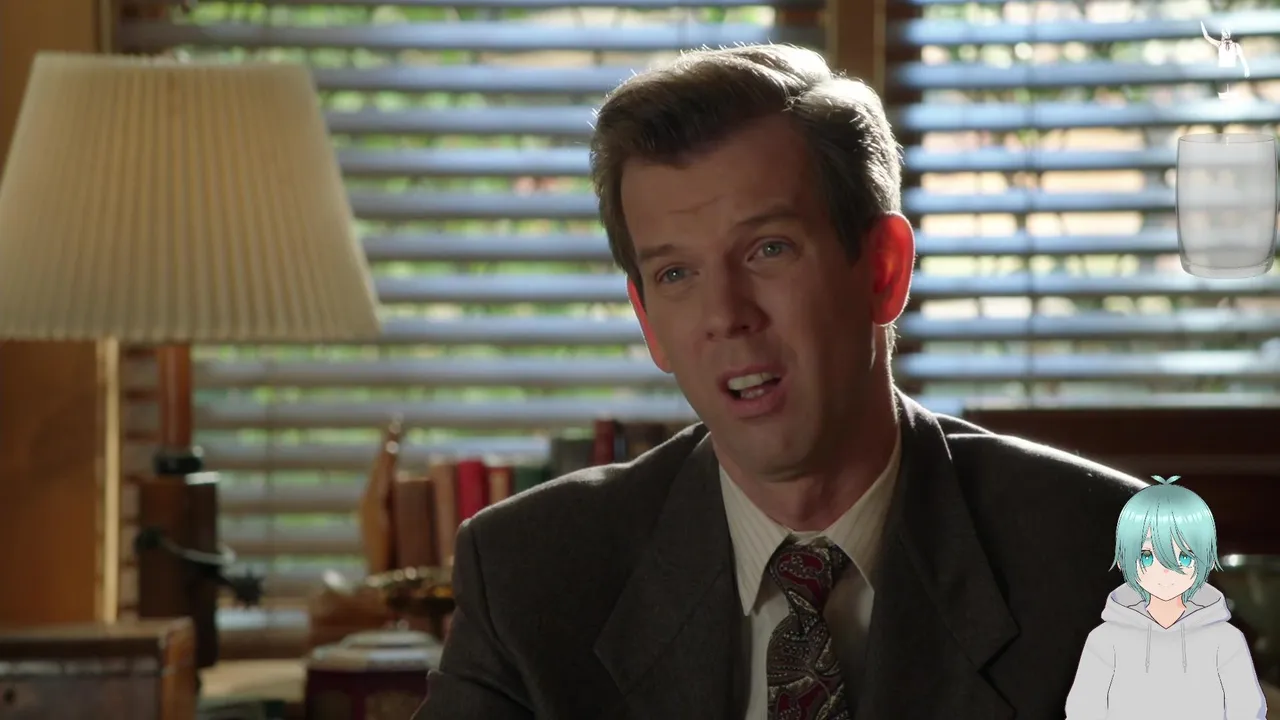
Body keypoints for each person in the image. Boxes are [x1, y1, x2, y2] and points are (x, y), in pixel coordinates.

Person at [414, 43, 1147, 720]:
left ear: (883, 271)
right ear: (648, 321)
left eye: (769, 249)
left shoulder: (1109, 567)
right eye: (677, 273)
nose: (726, 315)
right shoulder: (529, 578)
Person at [1065, 476, 1267, 719]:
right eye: (1147, 556)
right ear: (1123, 560)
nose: (1165, 572)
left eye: (1184, 557)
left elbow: (1247, 708)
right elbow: (1084, 709)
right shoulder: (1105, 640)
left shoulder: (1226, 640)